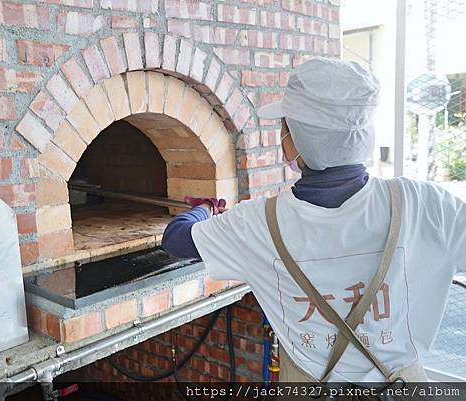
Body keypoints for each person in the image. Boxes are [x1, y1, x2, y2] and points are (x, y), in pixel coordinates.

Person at [161, 57, 466, 384]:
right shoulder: (424, 204)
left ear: (295, 140)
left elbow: (176, 238)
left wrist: (205, 208)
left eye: (284, 126)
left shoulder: (258, 222)